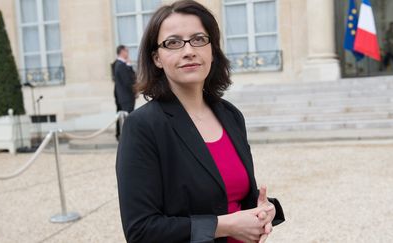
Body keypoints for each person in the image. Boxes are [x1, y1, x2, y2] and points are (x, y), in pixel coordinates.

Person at [116, 1, 285, 243]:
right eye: (173, 43)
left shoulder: (231, 115)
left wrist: (263, 211)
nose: (188, 51)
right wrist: (225, 225)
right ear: (157, 58)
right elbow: (141, 230)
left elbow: (234, 197)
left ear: (212, 50)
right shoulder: (142, 126)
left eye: (198, 39)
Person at [111, 45, 136, 140]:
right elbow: (128, 81)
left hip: (122, 96)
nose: (128, 53)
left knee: (122, 118)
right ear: (122, 51)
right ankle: (127, 138)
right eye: (126, 51)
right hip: (126, 96)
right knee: (126, 118)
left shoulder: (118, 64)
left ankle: (120, 135)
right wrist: (135, 90)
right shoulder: (121, 65)